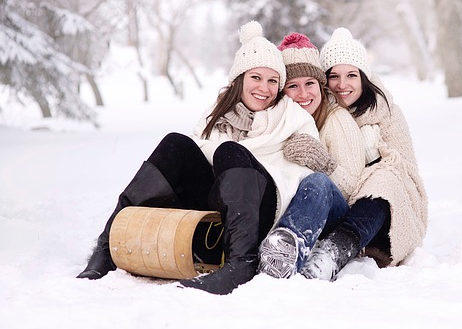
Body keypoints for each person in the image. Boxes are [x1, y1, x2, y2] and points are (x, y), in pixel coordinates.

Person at [76, 21, 318, 295]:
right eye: (256, 77)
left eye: (273, 80)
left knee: (230, 151)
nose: (264, 88)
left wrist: (238, 157)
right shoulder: (217, 114)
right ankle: (107, 247)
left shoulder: (293, 118)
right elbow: (201, 156)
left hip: (262, 210)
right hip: (217, 207)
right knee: (175, 143)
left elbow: (301, 180)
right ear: (240, 79)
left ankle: (242, 263)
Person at [299, 27, 429, 281]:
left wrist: (375, 156)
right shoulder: (321, 111)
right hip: (338, 203)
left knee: (386, 177)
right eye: (334, 76)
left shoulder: (386, 112)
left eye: (351, 75)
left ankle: (333, 254)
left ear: (363, 77)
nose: (342, 85)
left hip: (383, 212)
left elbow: (408, 173)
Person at [257, 32, 366, 278]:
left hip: (333, 216)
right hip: (288, 207)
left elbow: (355, 190)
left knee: (317, 183)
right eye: (293, 86)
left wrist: (324, 164)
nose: (303, 93)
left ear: (320, 85)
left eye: (310, 84)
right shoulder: (279, 121)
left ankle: (284, 253)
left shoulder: (336, 120)